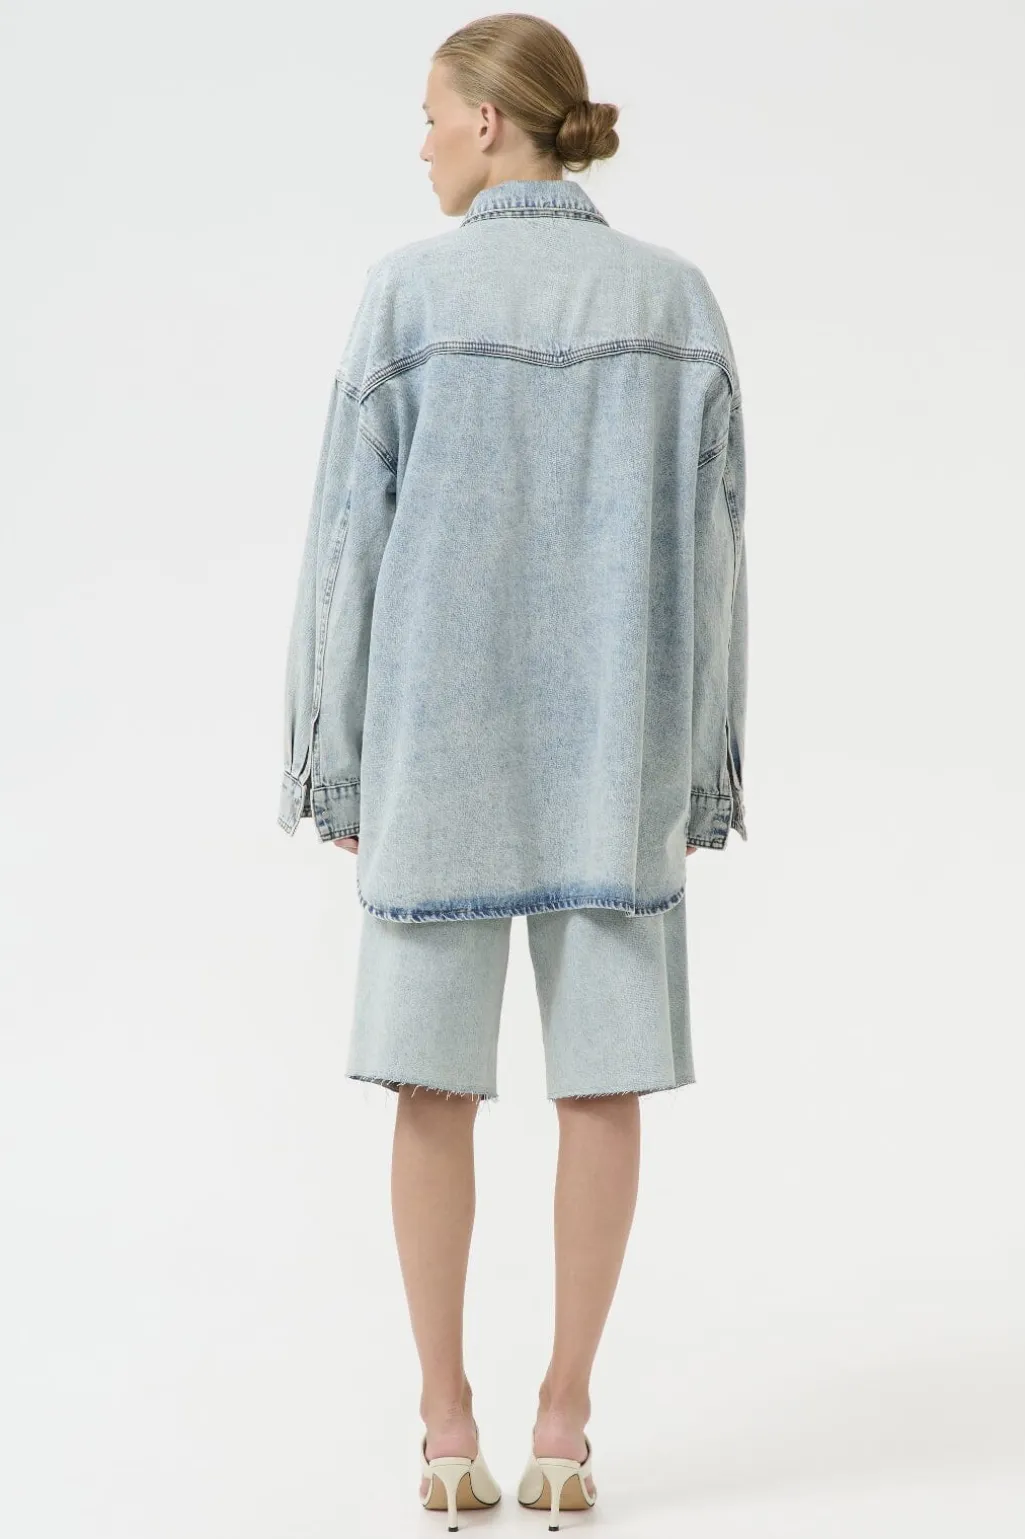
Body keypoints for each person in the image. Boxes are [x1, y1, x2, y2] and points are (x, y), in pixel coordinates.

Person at [276, 12, 749, 1529]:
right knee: (602, 1084)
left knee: (432, 1085)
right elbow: (717, 564)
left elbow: (346, 550)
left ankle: (443, 1427)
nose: (419, 142)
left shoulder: (407, 297)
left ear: (490, 121)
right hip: (618, 751)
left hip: (436, 744)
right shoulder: (675, 302)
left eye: (430, 114)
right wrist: (702, 765)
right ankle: (565, 1427)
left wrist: (337, 761)